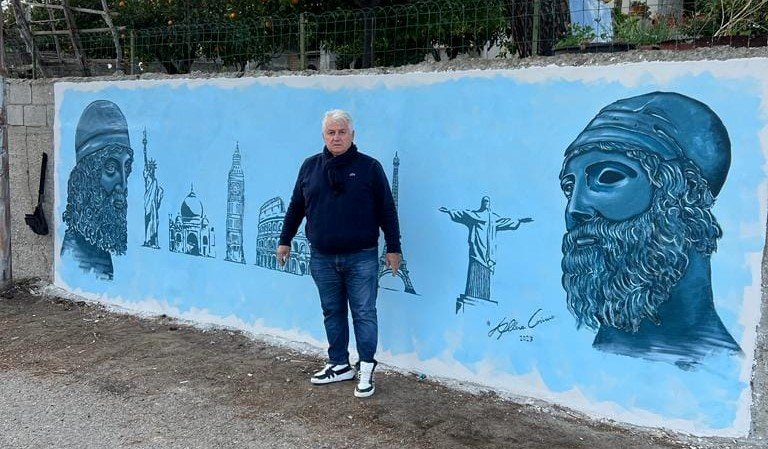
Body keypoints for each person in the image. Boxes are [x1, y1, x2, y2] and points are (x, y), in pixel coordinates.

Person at [559, 91, 741, 368]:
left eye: (609, 176)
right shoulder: (597, 360)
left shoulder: (720, 367)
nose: (575, 209)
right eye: (569, 188)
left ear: (686, 194)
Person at [277, 109, 401, 397]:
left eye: (342, 132)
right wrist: (285, 240)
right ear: (324, 136)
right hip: (322, 257)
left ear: (352, 135)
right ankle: (339, 364)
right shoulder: (310, 167)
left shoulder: (370, 167)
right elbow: (297, 206)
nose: (336, 137)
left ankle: (366, 367)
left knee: (364, 313)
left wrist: (394, 247)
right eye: (331, 132)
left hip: (361, 256)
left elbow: (387, 210)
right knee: (332, 311)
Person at [61, 100, 134, 281]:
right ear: (85, 177)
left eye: (126, 168)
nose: (123, 185)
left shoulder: (99, 254)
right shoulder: (77, 259)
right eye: (111, 168)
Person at [439, 197, 532, 312]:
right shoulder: (475, 215)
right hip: (477, 249)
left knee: (486, 270)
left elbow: (505, 221)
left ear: (489, 204)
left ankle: (483, 296)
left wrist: (519, 221)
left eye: (488, 201)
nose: (486, 203)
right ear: (482, 203)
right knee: (475, 267)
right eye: (484, 201)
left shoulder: (493, 218)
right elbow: (463, 214)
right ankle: (472, 294)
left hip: (488, 252)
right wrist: (449, 211)